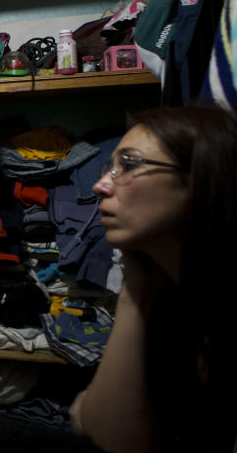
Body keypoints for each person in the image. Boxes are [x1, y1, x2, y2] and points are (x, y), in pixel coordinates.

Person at [69, 105, 237, 452]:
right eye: (109, 167)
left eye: (128, 165)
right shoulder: (167, 298)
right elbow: (108, 437)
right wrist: (134, 291)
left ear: (198, 177)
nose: (100, 185)